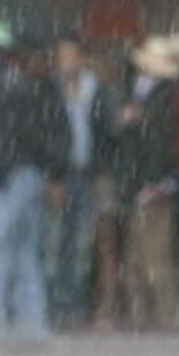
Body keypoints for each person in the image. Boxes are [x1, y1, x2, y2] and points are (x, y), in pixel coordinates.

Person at [0, 24, 71, 342]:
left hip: (11, 178)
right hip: (30, 176)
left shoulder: (2, 86)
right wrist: (52, 171)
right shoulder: (22, 84)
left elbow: (8, 135)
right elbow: (42, 132)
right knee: (26, 253)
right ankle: (34, 326)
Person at [48, 32, 118, 330]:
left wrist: (103, 170)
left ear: (82, 57)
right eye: (62, 56)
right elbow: (46, 134)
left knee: (80, 244)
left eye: (72, 55)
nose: (68, 62)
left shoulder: (97, 90)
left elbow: (108, 134)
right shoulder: (50, 90)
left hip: (88, 174)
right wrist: (53, 176)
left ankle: (74, 307)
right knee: (53, 243)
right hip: (60, 176)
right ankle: (55, 306)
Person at [116, 37, 179, 331]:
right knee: (138, 254)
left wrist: (156, 181)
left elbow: (162, 142)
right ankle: (143, 314)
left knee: (155, 254)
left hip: (152, 182)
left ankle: (165, 315)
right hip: (139, 180)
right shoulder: (141, 92)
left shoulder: (163, 96)